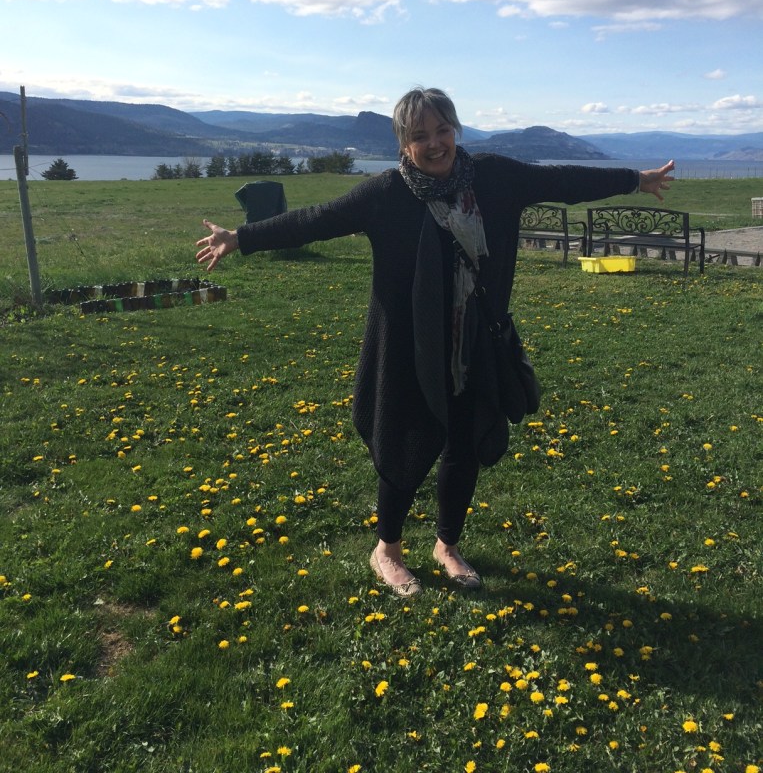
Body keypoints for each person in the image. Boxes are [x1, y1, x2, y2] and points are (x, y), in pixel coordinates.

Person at [196, 87, 674, 597]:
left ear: (455, 130)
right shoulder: (385, 194)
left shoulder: (493, 177)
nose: (435, 143)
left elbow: (562, 180)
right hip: (407, 344)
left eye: (442, 130)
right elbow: (317, 219)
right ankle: (387, 550)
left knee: (464, 443)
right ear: (404, 144)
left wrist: (635, 179)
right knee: (402, 441)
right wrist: (240, 238)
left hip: (475, 341)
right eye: (420, 135)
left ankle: (447, 546)